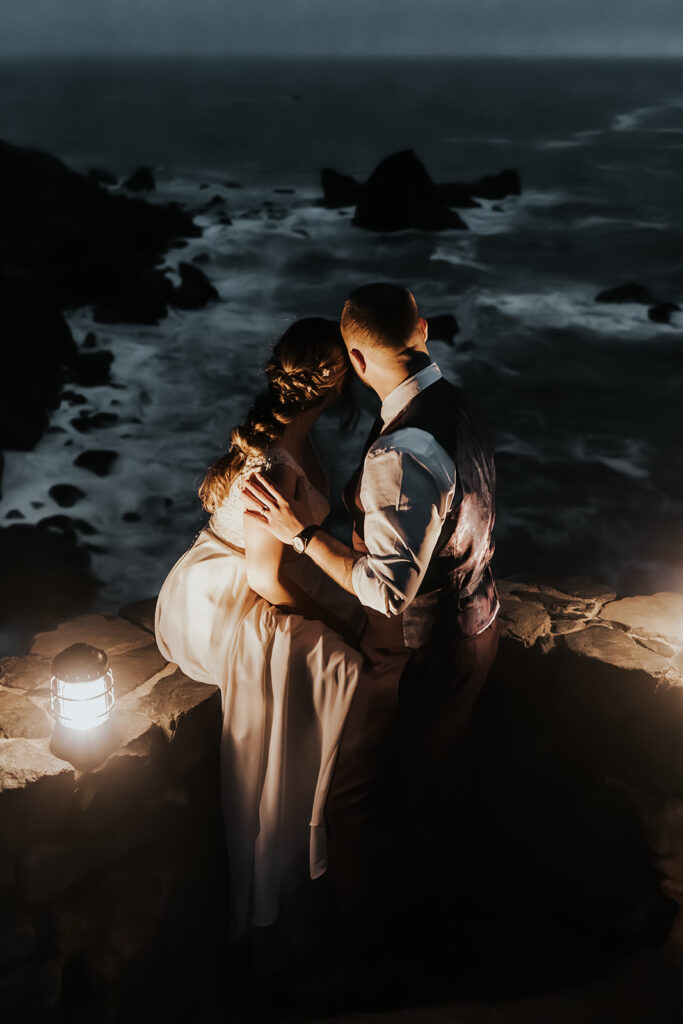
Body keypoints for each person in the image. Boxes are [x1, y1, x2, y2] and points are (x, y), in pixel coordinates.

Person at [241, 283, 501, 954]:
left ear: (355, 360)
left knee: (351, 807)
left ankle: (366, 965)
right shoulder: (458, 404)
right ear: (421, 327)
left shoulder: (399, 453)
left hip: (416, 653)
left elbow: (386, 591)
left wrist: (302, 533)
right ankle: (435, 938)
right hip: (479, 623)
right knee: (430, 786)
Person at [153, 318, 366, 960]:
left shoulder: (291, 434)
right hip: (226, 595)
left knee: (358, 627)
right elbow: (266, 576)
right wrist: (332, 623)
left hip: (258, 570)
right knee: (339, 661)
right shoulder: (275, 460)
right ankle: (302, 860)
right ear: (332, 383)